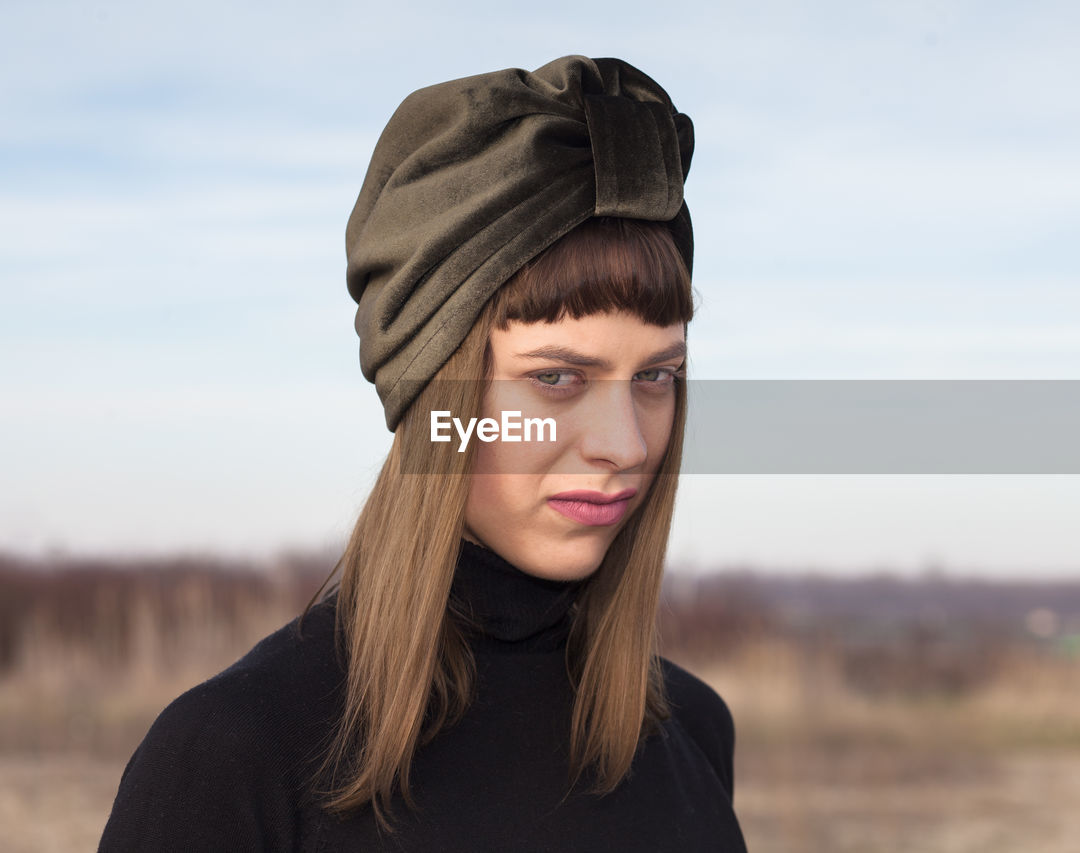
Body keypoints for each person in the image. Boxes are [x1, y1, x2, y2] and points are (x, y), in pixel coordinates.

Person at [98, 55, 748, 852]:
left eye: (655, 375)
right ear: (434, 395)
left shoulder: (694, 734)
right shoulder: (236, 757)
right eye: (554, 377)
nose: (625, 444)